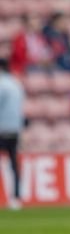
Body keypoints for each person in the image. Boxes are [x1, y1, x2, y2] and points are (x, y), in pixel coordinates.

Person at [0, 58, 24, 210]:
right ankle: (16, 198)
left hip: (1, 128)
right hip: (15, 129)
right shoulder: (16, 83)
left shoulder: (2, 84)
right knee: (14, 164)